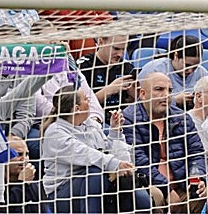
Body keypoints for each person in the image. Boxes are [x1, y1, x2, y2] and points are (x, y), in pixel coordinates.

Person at [40, 86, 147, 214]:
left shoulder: (91, 125)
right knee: (95, 172)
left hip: (96, 185)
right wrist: (115, 164)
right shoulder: (55, 132)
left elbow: (114, 155)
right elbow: (86, 154)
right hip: (62, 193)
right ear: (77, 109)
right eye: (85, 99)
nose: (89, 101)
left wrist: (115, 131)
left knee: (141, 198)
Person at [121, 73, 207, 209]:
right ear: (143, 94)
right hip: (151, 185)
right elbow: (138, 160)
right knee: (155, 197)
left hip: (181, 185)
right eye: (159, 89)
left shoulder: (182, 117)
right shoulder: (128, 119)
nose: (166, 95)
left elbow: (196, 152)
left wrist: (196, 178)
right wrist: (166, 188)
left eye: (170, 90)